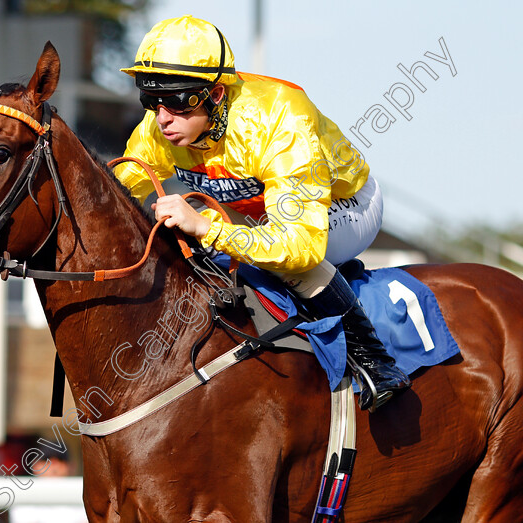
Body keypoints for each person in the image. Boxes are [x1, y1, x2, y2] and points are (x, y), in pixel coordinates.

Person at [114, 15, 410, 411]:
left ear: (216, 94)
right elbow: (111, 191)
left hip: (342, 207)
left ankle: (376, 362)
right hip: (261, 217)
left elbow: (299, 244)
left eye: (178, 100)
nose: (162, 117)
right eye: (151, 101)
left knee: (284, 262)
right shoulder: (159, 129)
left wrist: (207, 226)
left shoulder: (279, 117)